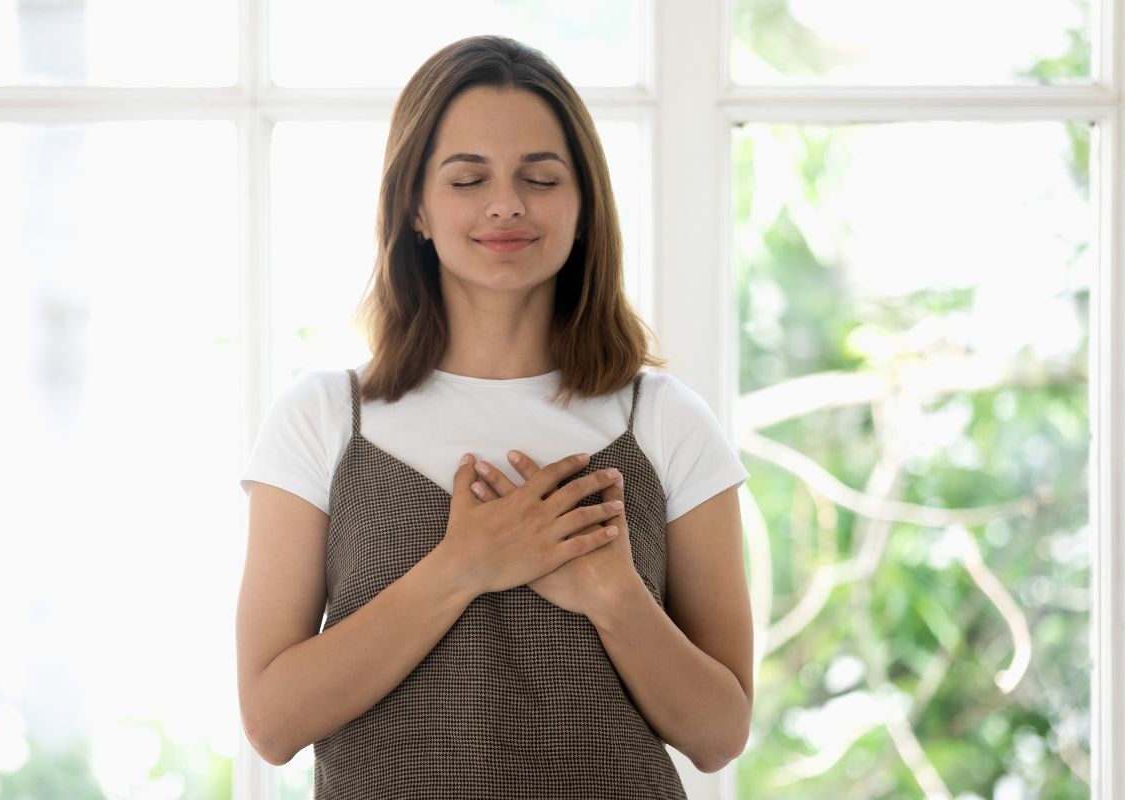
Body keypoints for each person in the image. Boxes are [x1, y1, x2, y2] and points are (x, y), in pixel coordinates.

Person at [235, 34, 753, 799]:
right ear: (415, 207)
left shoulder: (665, 423)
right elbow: (272, 724)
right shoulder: (322, 420)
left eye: (540, 178)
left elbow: (720, 736)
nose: (506, 204)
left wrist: (615, 598)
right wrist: (464, 567)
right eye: (468, 178)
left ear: (583, 208)